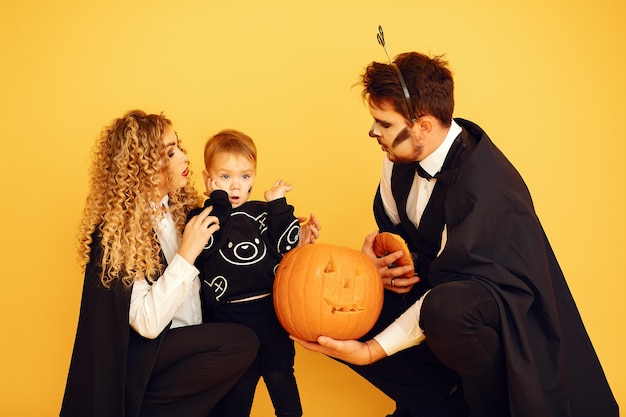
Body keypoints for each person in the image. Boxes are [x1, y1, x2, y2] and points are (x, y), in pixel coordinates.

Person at [292, 51, 619, 417]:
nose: (373, 132)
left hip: (502, 315)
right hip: (435, 294)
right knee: (326, 309)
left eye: (382, 123)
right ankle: (437, 405)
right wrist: (374, 269)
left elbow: (459, 282)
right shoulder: (397, 158)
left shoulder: (485, 185)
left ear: (424, 126)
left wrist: (373, 350)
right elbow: (403, 239)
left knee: (447, 309)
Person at [60, 110, 260, 417]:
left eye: (178, 146)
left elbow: (238, 250)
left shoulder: (183, 211)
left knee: (247, 346)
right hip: (146, 358)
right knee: (240, 342)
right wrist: (186, 255)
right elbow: (146, 324)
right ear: (146, 168)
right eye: (170, 151)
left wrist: (291, 237)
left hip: (187, 348)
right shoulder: (117, 232)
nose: (184, 157)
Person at [187, 129, 320, 417]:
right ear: (207, 179)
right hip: (229, 320)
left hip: (271, 314)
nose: (236, 186)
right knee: (238, 389)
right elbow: (206, 246)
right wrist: (218, 199)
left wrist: (278, 205)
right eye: (225, 177)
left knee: (281, 378)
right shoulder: (200, 219)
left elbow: (286, 244)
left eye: (245, 176)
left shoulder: (262, 212)